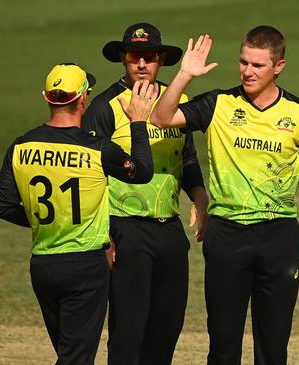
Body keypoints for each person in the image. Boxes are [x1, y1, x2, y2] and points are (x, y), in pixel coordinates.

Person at [151, 26, 299, 365]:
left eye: (258, 66)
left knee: (273, 347)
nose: (248, 72)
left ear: (279, 67)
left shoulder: (298, 112)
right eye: (243, 62)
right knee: (222, 345)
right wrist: (184, 76)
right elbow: (161, 118)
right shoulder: (217, 103)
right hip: (226, 235)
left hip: (278, 236)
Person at [0, 63, 156, 365]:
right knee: (76, 358)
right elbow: (142, 172)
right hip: (86, 266)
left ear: (47, 97)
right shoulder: (98, 149)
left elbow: (0, 205)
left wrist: (48, 222)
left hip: (43, 266)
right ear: (82, 100)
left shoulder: (21, 146)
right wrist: (138, 123)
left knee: (69, 352)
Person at [80, 22, 209, 365]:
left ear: (160, 59)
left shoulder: (177, 101)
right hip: (124, 231)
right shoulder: (105, 107)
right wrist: (104, 237)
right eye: (134, 56)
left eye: (148, 56)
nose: (141, 64)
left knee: (166, 328)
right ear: (123, 57)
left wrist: (198, 194)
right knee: (127, 333)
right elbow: (89, 176)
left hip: (169, 230)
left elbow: (189, 156)